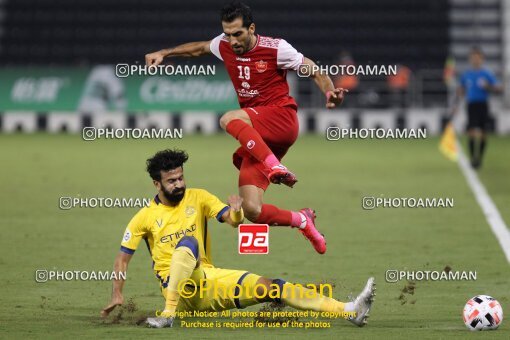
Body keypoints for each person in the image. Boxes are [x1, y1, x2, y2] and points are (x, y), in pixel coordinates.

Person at [145, 1, 348, 254]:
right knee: (252, 209)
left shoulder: (276, 48)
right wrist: (165, 53)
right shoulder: (224, 44)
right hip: (260, 137)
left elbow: (313, 70)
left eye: (238, 34)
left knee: (228, 119)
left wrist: (330, 92)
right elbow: (198, 49)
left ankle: (274, 166)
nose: (232, 41)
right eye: (227, 34)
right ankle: (303, 220)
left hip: (281, 119)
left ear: (251, 28)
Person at [100, 149, 376, 328]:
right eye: (172, 181)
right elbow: (122, 259)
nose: (180, 184)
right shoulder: (143, 217)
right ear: (156, 184)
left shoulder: (199, 197)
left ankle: (349, 310)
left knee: (274, 286)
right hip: (177, 290)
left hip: (208, 283)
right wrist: (117, 293)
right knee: (189, 244)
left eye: (181, 178)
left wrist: (236, 214)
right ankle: (168, 313)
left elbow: (232, 221)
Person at [455, 47, 502, 169]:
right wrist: (459, 93)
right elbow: (461, 89)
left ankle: (479, 159)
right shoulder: (467, 74)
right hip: (471, 105)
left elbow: (498, 89)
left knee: (483, 133)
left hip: (483, 105)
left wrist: (488, 86)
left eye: (477, 57)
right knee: (471, 132)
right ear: (470, 59)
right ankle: (472, 159)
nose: (475, 60)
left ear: (482, 59)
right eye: (473, 57)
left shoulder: (486, 73)